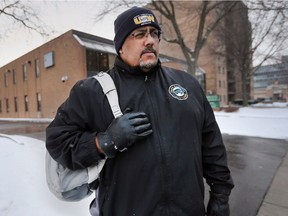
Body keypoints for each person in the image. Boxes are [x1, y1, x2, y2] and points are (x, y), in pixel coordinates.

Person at [46, 6, 234, 216]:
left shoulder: (187, 85)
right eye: (139, 34)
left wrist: (220, 197)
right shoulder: (92, 91)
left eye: (154, 33)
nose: (150, 40)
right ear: (120, 46)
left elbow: (212, 146)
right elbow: (57, 140)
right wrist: (104, 142)